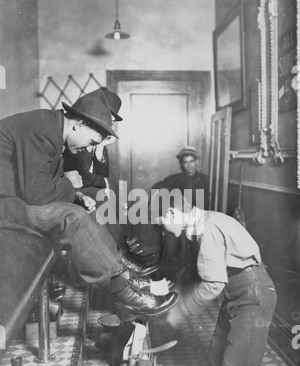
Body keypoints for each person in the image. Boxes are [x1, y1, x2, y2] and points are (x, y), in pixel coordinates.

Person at [0, 88, 178, 319]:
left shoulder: (53, 129)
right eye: (91, 142)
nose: (88, 149)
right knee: (73, 217)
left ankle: (126, 278)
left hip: (14, 197)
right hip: (5, 202)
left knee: (85, 207)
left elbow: (42, 182)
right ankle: (127, 295)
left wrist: (77, 194)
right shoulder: (42, 131)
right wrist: (69, 183)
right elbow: (37, 195)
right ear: (79, 124)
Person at [155, 197, 277, 366]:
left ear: (172, 212)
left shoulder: (207, 228)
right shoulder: (203, 221)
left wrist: (179, 312)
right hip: (237, 291)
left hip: (252, 294)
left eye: (161, 221)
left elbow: (213, 285)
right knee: (218, 356)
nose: (163, 229)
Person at [63, 87, 160, 275]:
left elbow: (103, 172)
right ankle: (123, 253)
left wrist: (99, 150)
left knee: (107, 193)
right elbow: (83, 176)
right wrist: (104, 183)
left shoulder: (97, 139)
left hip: (83, 188)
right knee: (101, 194)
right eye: (112, 118)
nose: (112, 124)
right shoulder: (78, 138)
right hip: (71, 189)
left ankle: (123, 248)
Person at [151, 146, 209, 279]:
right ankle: (160, 289)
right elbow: (157, 189)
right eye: (185, 162)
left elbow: (206, 204)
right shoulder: (174, 179)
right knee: (168, 251)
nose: (189, 165)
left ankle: (185, 287)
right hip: (176, 222)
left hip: (195, 222)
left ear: (197, 162)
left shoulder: (204, 180)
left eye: (191, 161)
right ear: (181, 164)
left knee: (192, 256)